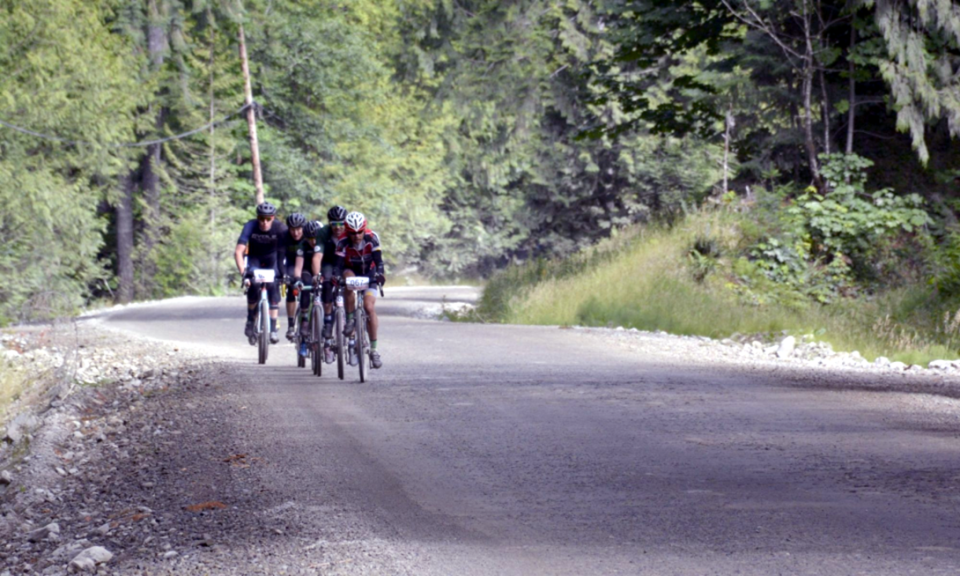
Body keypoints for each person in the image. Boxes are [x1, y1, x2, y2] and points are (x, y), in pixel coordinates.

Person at [334, 211, 385, 369]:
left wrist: (380, 275)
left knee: (369, 307)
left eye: (359, 232)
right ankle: (350, 320)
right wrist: (337, 277)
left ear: (364, 229)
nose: (357, 236)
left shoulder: (372, 238)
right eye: (353, 233)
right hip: (352, 271)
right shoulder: (342, 242)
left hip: (369, 273)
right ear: (347, 231)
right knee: (347, 279)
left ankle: (374, 350)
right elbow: (339, 265)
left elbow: (379, 261)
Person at [234, 202, 287, 344]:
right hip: (254, 259)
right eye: (261, 218)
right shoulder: (250, 226)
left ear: (273, 218)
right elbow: (238, 251)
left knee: (274, 285)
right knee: (254, 284)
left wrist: (285, 273)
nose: (264, 222)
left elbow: (287, 251)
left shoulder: (280, 228)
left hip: (273, 259)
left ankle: (273, 328)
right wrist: (243, 272)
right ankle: (251, 318)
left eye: (268, 219)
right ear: (257, 217)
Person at [281, 212, 308, 340]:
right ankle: (291, 325)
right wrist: (283, 274)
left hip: (307, 264)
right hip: (291, 264)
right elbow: (280, 258)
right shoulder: (284, 237)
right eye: (292, 229)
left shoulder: (309, 235)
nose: (296, 233)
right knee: (292, 288)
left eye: (298, 229)